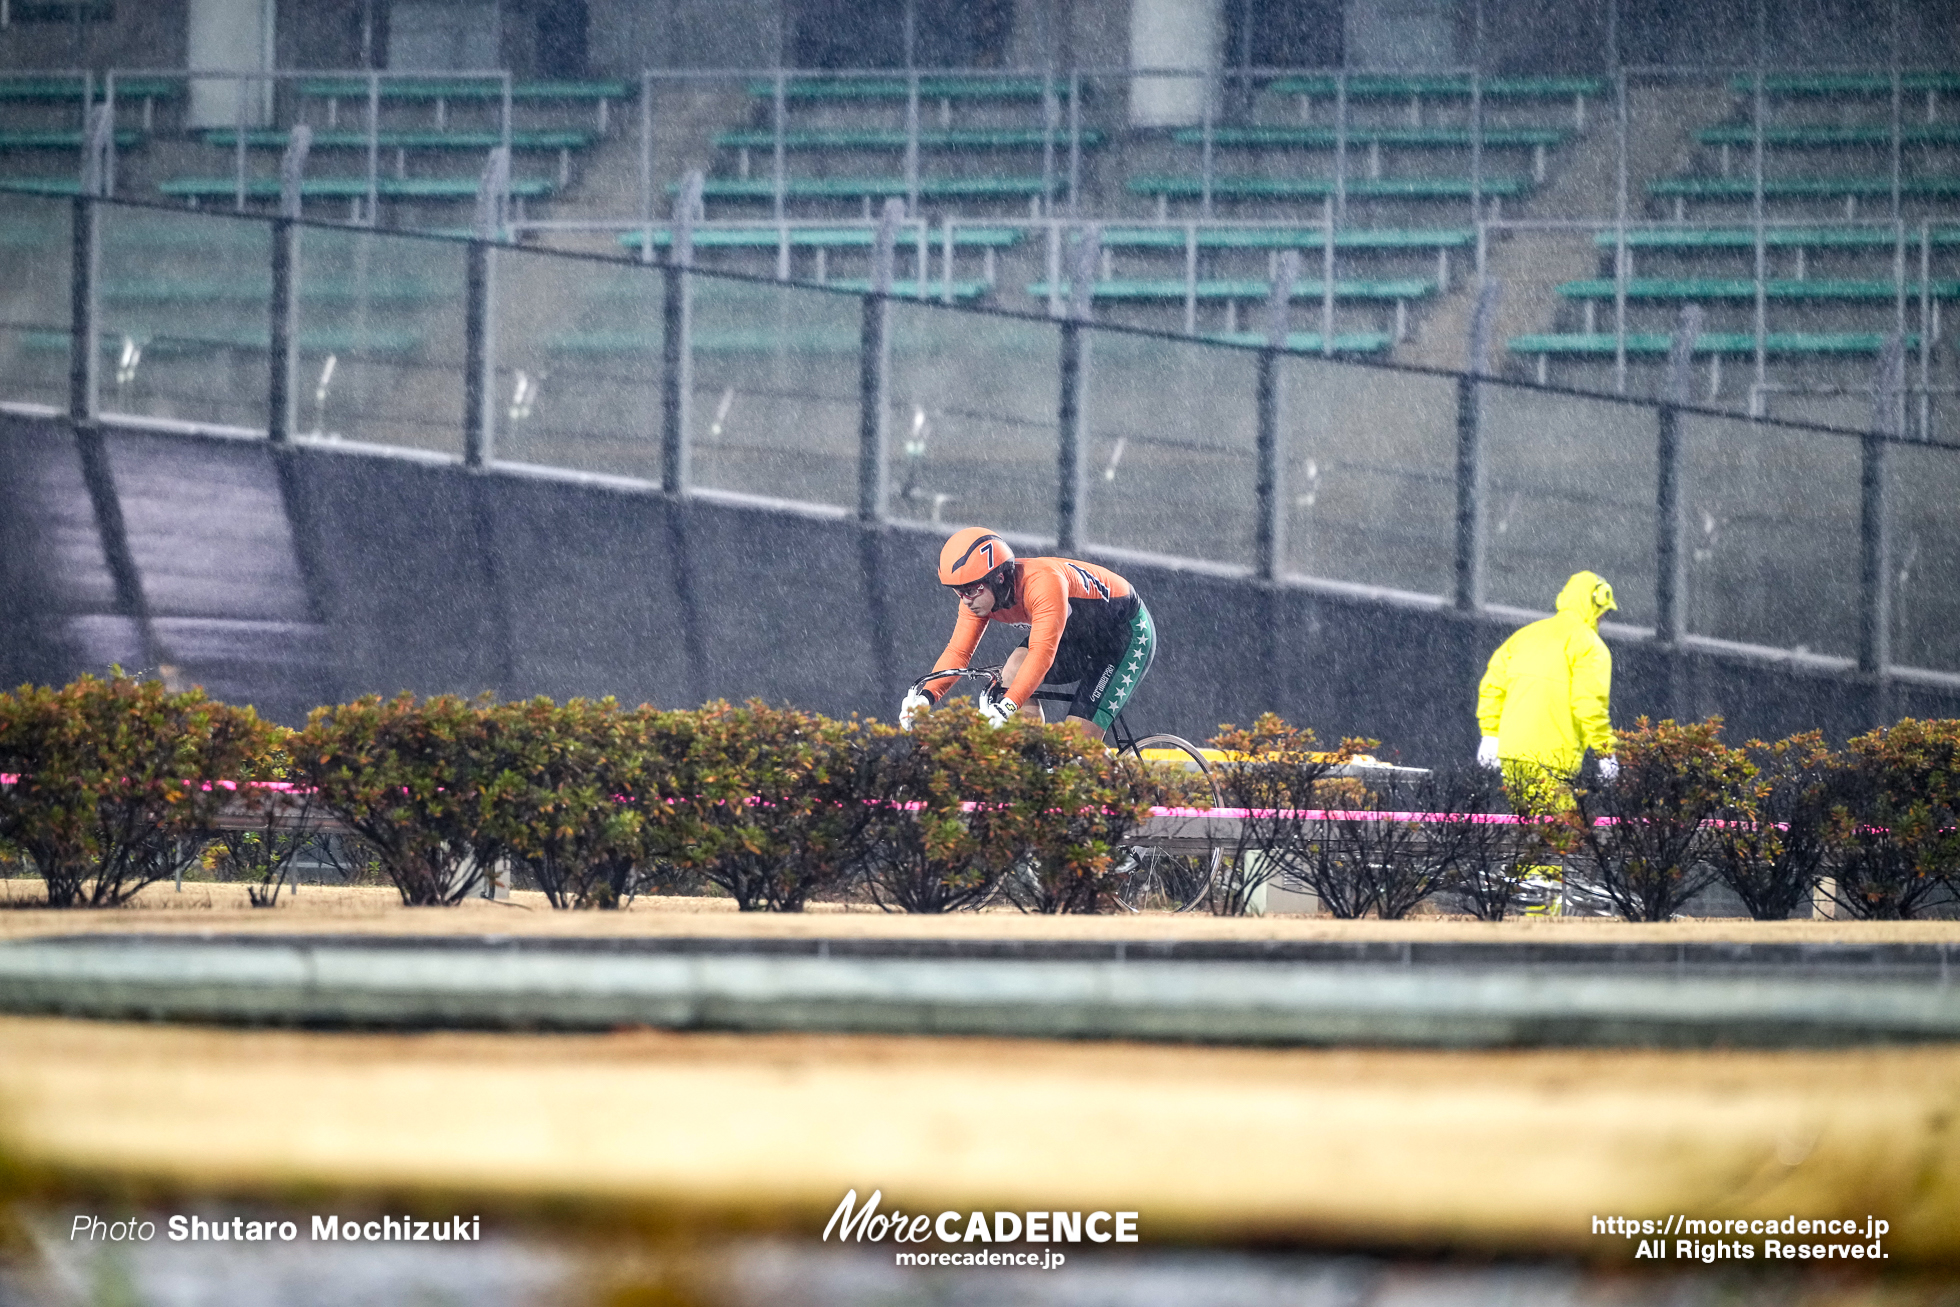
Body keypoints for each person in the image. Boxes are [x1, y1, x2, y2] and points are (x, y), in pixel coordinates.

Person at [899, 527, 1155, 739]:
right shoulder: (977, 598)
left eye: (971, 589)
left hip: (1123, 637)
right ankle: (1035, 756)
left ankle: (1131, 792)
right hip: (1075, 635)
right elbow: (958, 652)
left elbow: (1042, 654)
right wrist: (925, 698)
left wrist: (1008, 706)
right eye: (958, 592)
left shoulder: (1043, 584)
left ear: (998, 578)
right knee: (1013, 669)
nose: (965, 600)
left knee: (1077, 747)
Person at [1475, 569, 1621, 810]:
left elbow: (1492, 686)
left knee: (1523, 835)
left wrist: (1490, 733)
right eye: (1604, 613)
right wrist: (1605, 751)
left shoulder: (1524, 636)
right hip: (1555, 758)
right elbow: (1589, 704)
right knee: (1559, 838)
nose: (1603, 619)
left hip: (1511, 753)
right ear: (1596, 605)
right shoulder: (1591, 647)